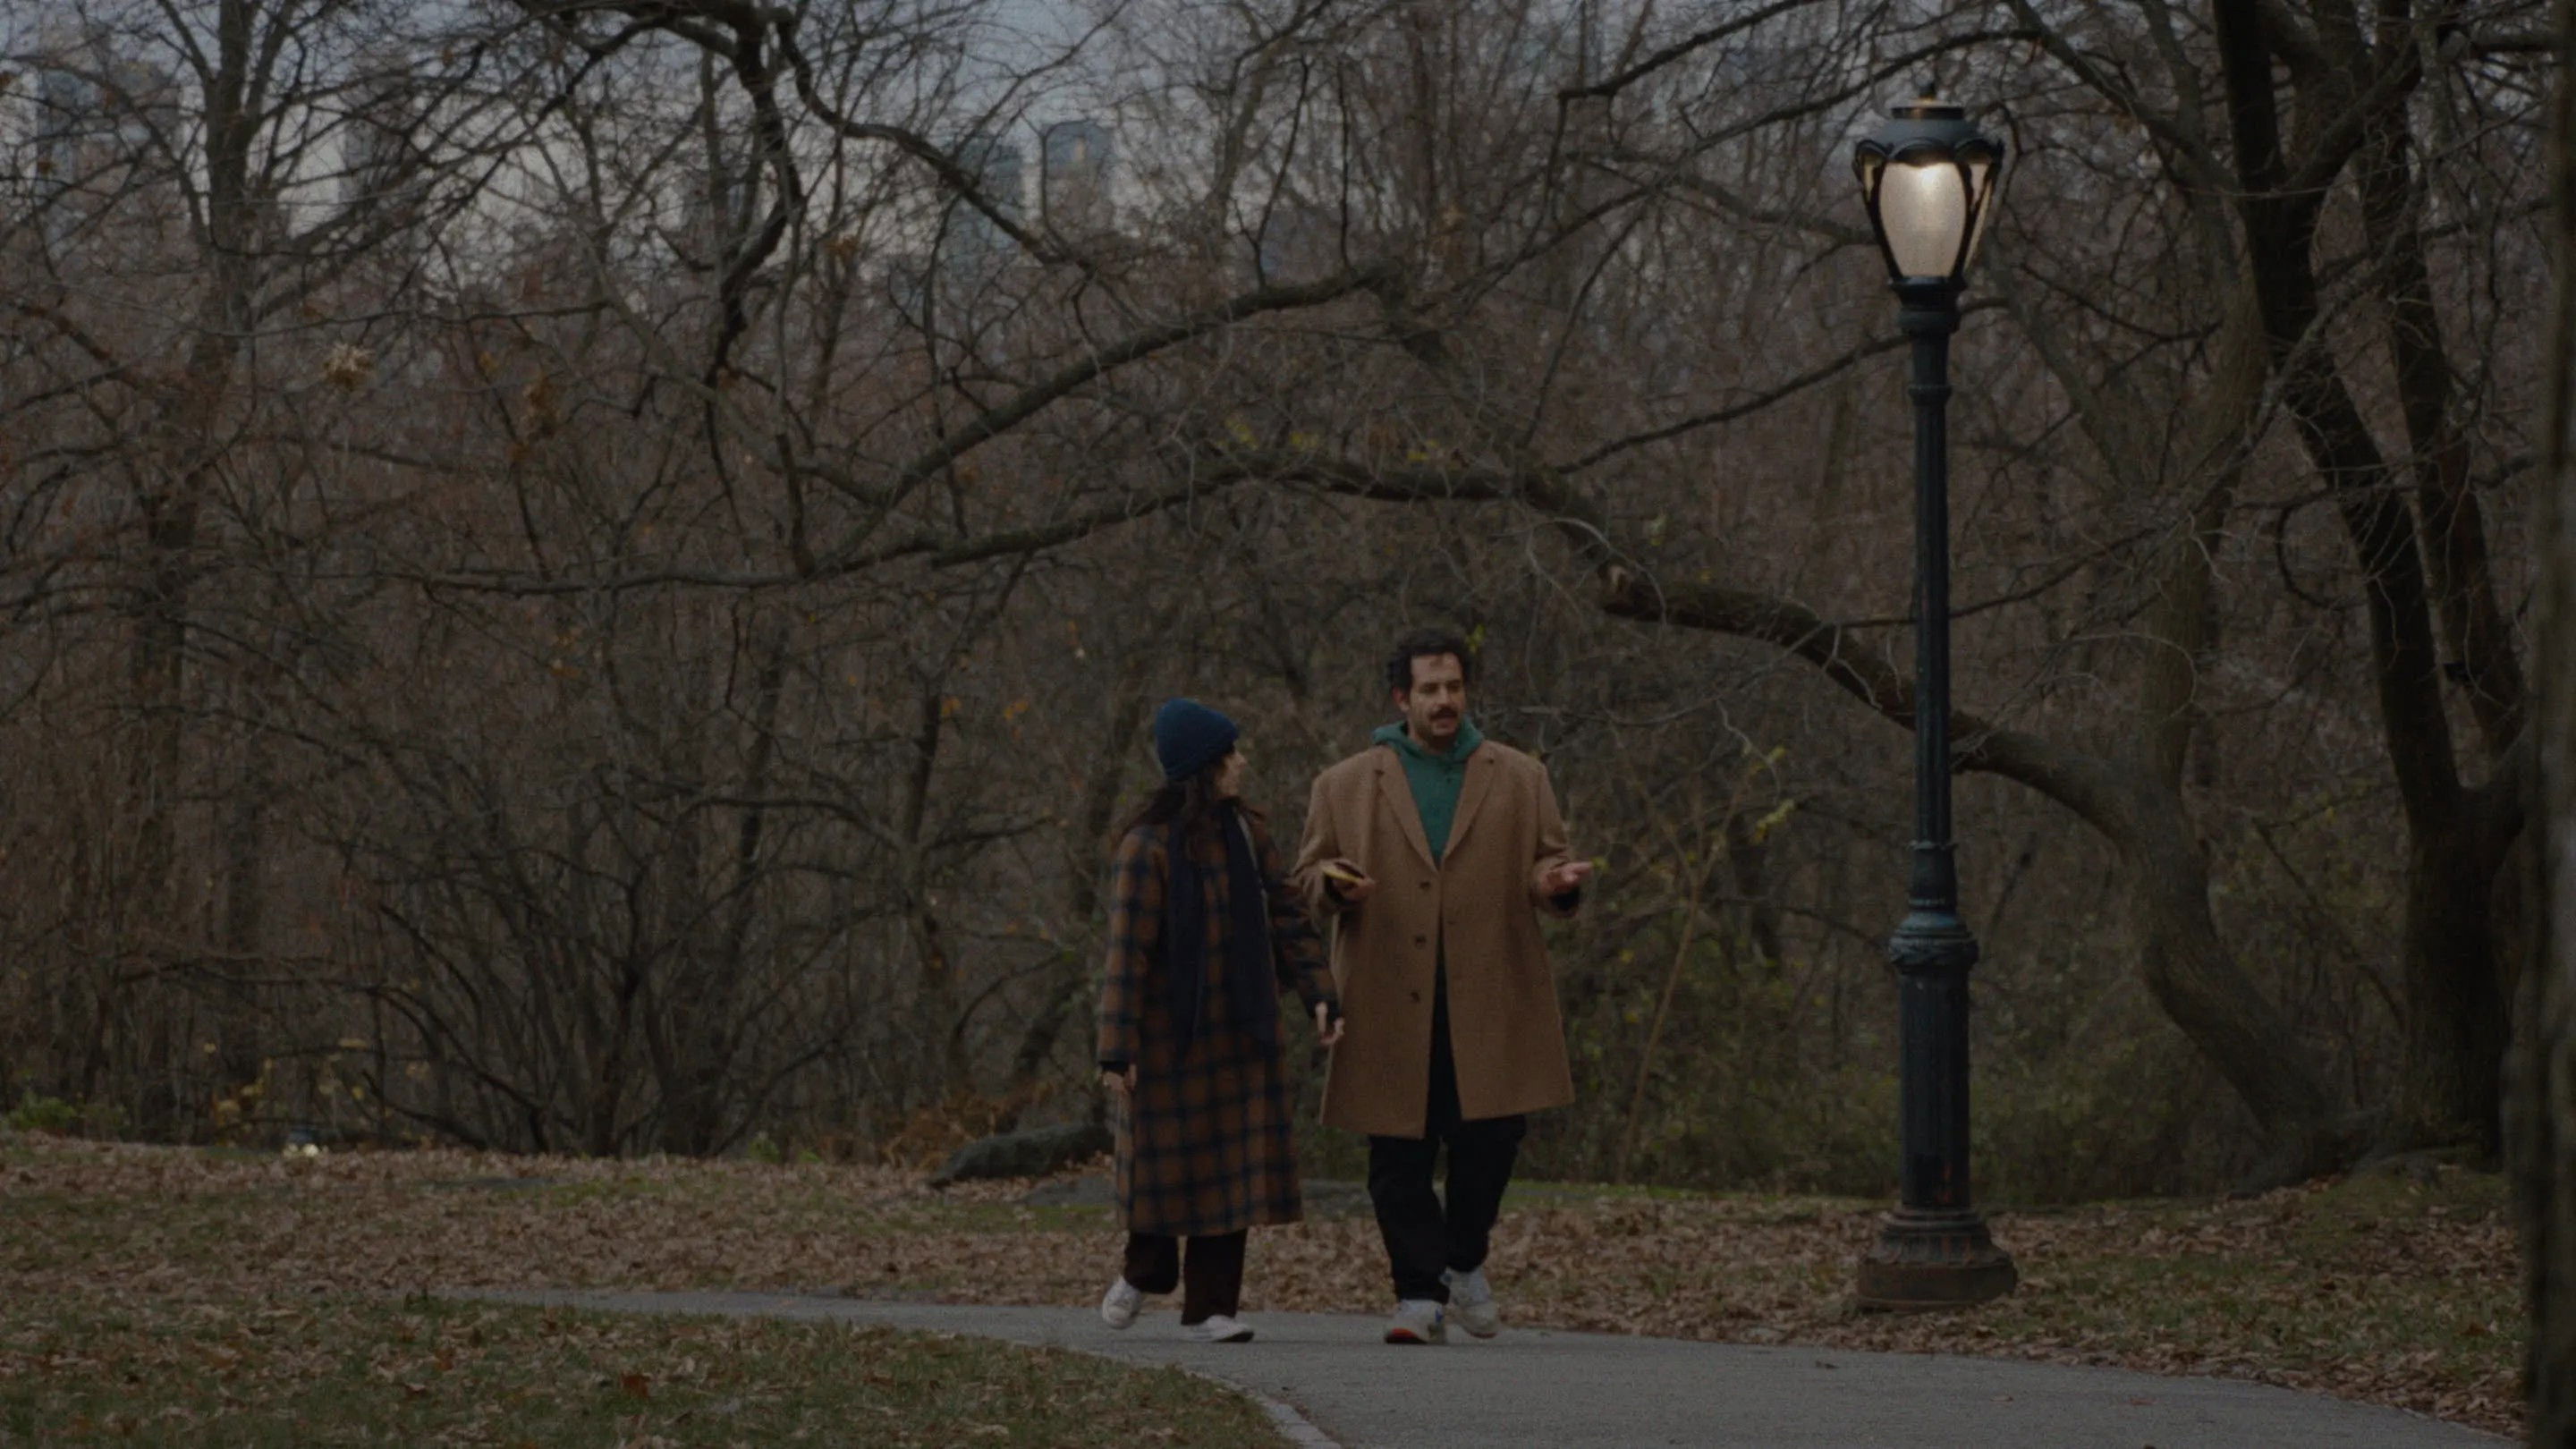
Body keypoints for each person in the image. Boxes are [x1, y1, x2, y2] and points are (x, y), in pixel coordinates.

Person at [1292, 630, 1590, 1344]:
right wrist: (1333, 884)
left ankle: (1462, 1259)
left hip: (1491, 994)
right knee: (1398, 1154)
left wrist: (1554, 884)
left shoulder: (1521, 777)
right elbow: (1306, 879)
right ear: (1402, 699)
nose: (1444, 700)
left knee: (1492, 1142)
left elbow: (1548, 863)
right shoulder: (1344, 784)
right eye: (1429, 689)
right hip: (1387, 997)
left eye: (1453, 687)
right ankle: (1418, 1296)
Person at [1096, 698, 1344, 1343]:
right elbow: (1127, 953)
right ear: (1203, 767)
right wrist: (1117, 1049)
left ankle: (1212, 1308)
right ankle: (1144, 1273)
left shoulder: (1247, 833)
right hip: (1167, 1037)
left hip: (1242, 1028)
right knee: (1162, 1173)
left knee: (1233, 1173)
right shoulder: (1145, 847)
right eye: (1230, 753)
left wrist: (1320, 993)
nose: (1242, 762)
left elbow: (1288, 915)